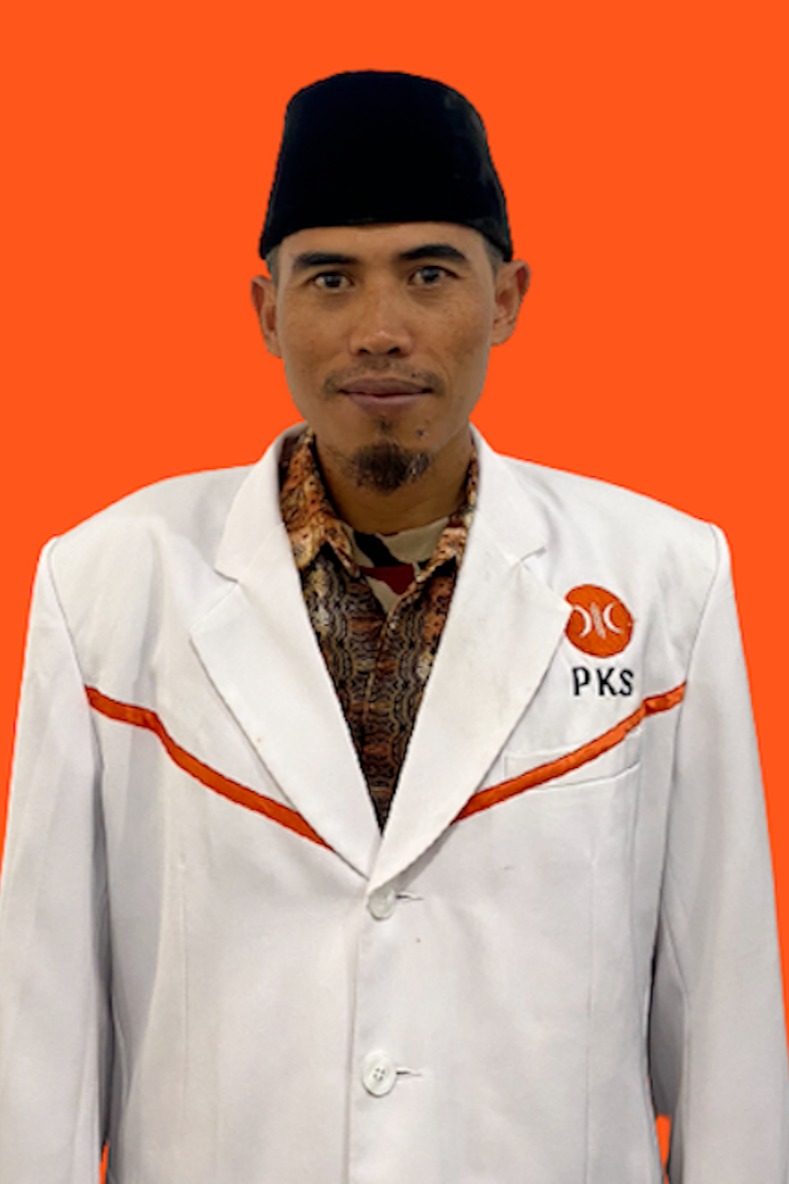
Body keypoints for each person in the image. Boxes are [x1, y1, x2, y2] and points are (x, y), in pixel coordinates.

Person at [0, 69, 786, 1184]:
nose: (379, 330)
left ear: (506, 299)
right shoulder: (106, 588)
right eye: (330, 278)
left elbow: (727, 1026)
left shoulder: (662, 579)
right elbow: (37, 1034)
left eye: (429, 274)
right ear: (268, 311)